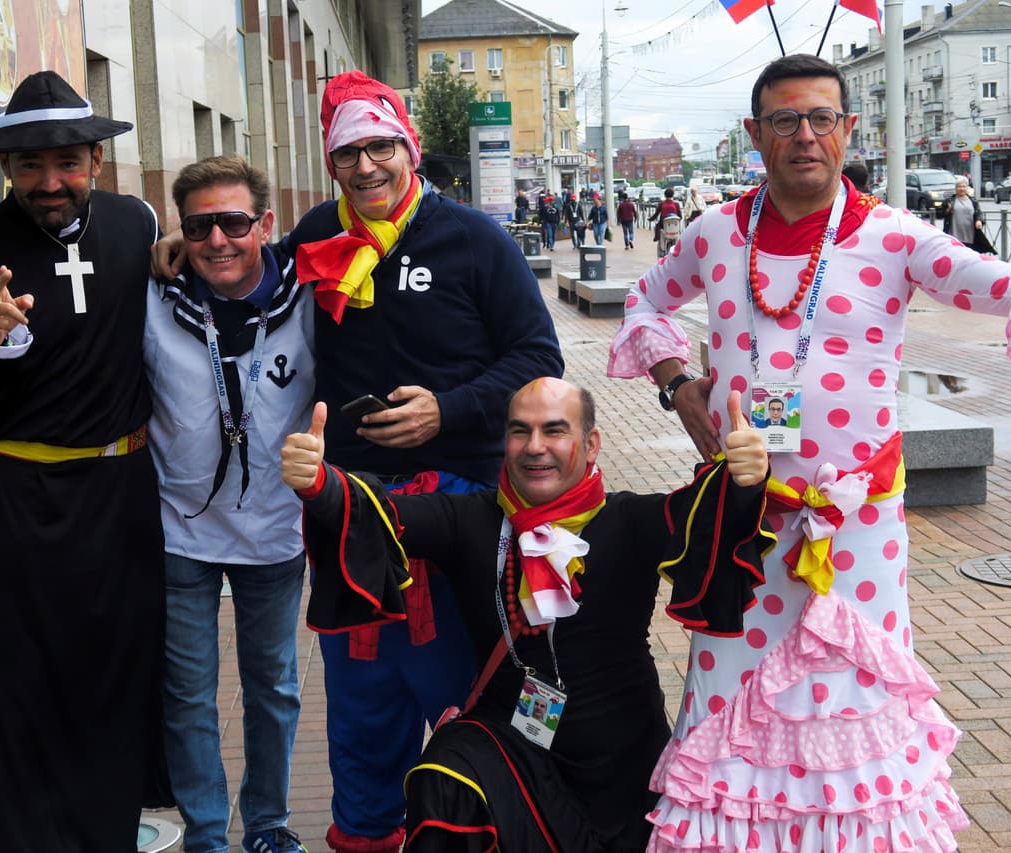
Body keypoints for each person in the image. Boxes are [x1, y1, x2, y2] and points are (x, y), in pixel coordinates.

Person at [607, 52, 1011, 852]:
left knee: (849, 699)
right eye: (785, 119)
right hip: (741, 526)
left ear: (849, 129)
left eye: (823, 118)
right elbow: (646, 303)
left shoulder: (894, 236)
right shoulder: (716, 233)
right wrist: (680, 384)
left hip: (855, 539)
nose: (806, 136)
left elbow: (1004, 287)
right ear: (756, 133)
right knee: (731, 700)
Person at [153, 69, 565, 853]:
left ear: (408, 146)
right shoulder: (311, 238)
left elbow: (539, 356)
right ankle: (368, 834)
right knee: (362, 702)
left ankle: (477, 830)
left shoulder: (473, 238)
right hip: (351, 514)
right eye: (350, 154)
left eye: (381, 147)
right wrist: (178, 243)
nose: (368, 166)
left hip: (460, 511)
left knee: (465, 692)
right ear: (332, 162)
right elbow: (235, 258)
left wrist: (451, 407)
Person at [280, 377, 775, 852]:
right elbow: (387, 512)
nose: (534, 446)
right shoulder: (472, 519)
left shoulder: (630, 519)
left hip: (623, 758)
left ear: (592, 443)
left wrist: (745, 482)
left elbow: (702, 517)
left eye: (555, 429)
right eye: (520, 430)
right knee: (444, 779)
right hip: (512, 745)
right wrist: (320, 484)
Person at [0, 70, 167, 851]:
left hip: (124, 484)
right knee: (27, 677)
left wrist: (178, 249)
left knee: (123, 663)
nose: (50, 182)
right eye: (30, 165)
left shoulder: (136, 223)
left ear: (95, 158)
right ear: (6, 167)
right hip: (19, 494)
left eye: (67, 162)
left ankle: (115, 828)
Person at [145, 155, 313, 853]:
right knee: (188, 696)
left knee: (273, 687)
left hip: (274, 530)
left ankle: (267, 825)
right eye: (200, 224)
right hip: (178, 529)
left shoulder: (311, 296)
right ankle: (207, 836)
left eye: (234, 222)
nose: (218, 240)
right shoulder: (151, 294)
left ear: (265, 225)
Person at [942, 176, 996, 254]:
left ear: (967, 188)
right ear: (956, 188)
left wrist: (978, 221)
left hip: (970, 235)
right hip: (954, 235)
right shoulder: (950, 201)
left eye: (963, 186)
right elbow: (941, 213)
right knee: (956, 257)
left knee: (969, 257)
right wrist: (948, 209)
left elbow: (978, 213)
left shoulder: (973, 201)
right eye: (959, 186)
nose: (961, 189)